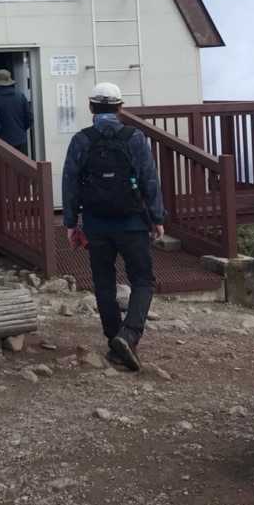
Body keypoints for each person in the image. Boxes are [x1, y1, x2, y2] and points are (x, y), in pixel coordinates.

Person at [61, 82, 164, 373]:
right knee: (142, 280)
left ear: (90, 107)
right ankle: (128, 336)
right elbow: (149, 179)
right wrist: (157, 218)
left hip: (96, 223)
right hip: (132, 222)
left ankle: (113, 339)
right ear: (120, 107)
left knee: (103, 282)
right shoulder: (135, 138)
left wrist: (71, 222)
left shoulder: (82, 140)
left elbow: (70, 182)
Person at [0, 68, 33, 156]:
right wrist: (21, 130)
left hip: (3, 142)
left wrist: (0, 136)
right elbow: (29, 118)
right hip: (21, 140)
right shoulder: (21, 96)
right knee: (22, 163)